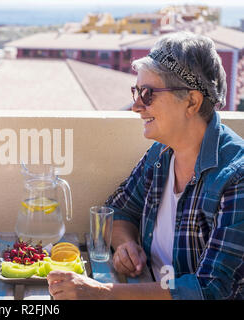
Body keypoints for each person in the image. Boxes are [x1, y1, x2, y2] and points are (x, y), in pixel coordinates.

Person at [47, 32, 243, 300]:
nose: (136, 106)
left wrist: (104, 293)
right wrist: (126, 243)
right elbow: (116, 211)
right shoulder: (161, 155)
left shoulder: (236, 178)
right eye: (136, 92)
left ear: (192, 102)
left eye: (148, 94)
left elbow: (210, 290)